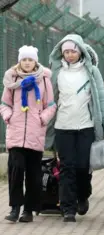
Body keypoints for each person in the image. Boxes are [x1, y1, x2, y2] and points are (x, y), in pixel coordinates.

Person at [46, 34, 104, 222]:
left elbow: (101, 97)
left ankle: (83, 195)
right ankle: (68, 208)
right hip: (63, 126)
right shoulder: (57, 72)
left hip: (86, 126)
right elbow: (49, 99)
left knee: (83, 166)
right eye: (66, 52)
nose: (69, 55)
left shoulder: (91, 71)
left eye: (73, 51)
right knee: (67, 167)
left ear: (80, 51)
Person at [1, 45, 56, 222]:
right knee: (16, 170)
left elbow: (51, 105)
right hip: (16, 133)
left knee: (33, 173)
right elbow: (5, 104)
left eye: (30, 60)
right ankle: (15, 207)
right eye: (24, 59)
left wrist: (43, 119)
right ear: (19, 61)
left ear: (35, 61)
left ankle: (29, 210)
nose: (27, 63)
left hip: (35, 133)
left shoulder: (44, 80)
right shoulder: (12, 79)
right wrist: (9, 116)